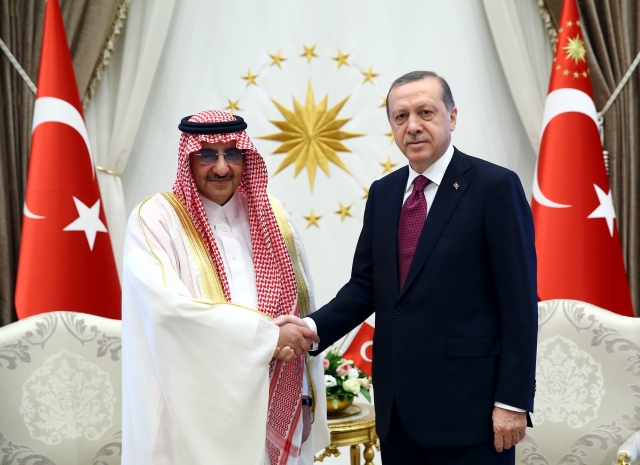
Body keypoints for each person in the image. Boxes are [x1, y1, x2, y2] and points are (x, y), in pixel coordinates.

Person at [276, 71, 538, 464]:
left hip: (472, 410)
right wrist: (310, 329)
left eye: (425, 112)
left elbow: (519, 305)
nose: (412, 126)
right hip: (398, 412)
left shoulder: (494, 187)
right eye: (401, 117)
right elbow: (366, 286)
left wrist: (512, 401)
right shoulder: (383, 193)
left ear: (452, 117)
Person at [121, 110, 329, 465]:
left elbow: (300, 306)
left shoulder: (273, 216)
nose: (221, 168)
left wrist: (305, 393)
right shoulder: (156, 220)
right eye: (207, 155)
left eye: (232, 153)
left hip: (275, 398)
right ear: (188, 158)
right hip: (195, 413)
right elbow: (168, 312)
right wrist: (268, 337)